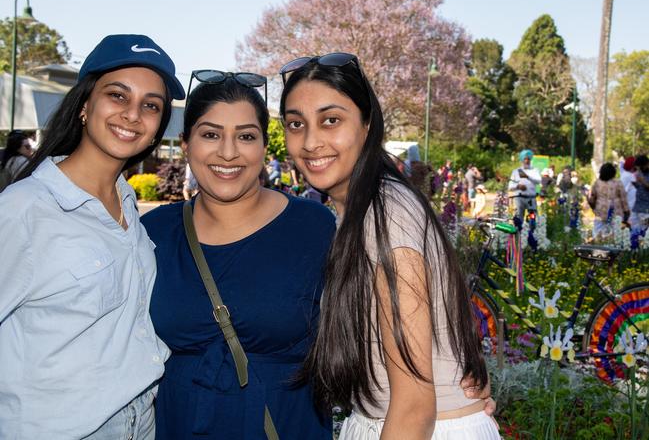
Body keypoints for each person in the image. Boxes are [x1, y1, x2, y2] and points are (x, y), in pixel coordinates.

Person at [279, 52, 497, 439]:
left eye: (331, 120)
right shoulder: (362, 206)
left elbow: (414, 406)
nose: (311, 141)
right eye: (296, 124)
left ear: (367, 124)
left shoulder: (386, 215)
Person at [0, 34, 185, 438]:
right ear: (85, 105)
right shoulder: (26, 207)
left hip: (141, 421)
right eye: (118, 96)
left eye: (150, 105)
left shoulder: (127, 204)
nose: (133, 114)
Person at [141, 73, 336, 439]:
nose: (228, 152)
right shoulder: (153, 232)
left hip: (284, 424)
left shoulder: (312, 227)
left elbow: (369, 324)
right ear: (186, 145)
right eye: (210, 134)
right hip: (177, 424)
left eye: (245, 136)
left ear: (264, 146)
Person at [588, 162, 630, 238]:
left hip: (600, 213)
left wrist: (594, 208)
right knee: (615, 236)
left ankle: (598, 248)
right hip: (616, 213)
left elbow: (592, 198)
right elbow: (623, 199)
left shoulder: (597, 183)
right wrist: (626, 212)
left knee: (598, 235)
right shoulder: (618, 183)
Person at [508, 149, 541, 222]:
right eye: (525, 159)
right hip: (519, 198)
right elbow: (510, 186)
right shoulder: (516, 171)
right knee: (518, 218)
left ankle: (532, 230)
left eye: (528, 159)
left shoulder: (534, 170)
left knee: (533, 217)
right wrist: (518, 186)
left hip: (531, 198)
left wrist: (528, 177)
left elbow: (538, 181)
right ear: (522, 160)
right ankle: (518, 232)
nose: (526, 161)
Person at [631, 154, 649, 232]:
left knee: (644, 231)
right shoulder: (641, 173)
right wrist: (636, 184)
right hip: (637, 207)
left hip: (646, 208)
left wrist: (642, 181)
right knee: (635, 230)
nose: (639, 169)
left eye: (640, 167)